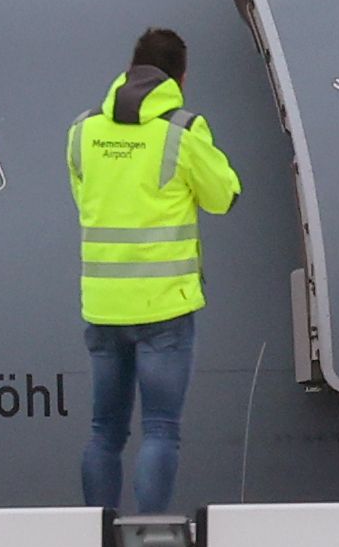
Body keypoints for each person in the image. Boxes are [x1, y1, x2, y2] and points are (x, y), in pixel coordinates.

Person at [70, 27, 241, 514]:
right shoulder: (182, 131)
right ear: (180, 78)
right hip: (165, 306)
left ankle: (95, 542)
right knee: (161, 428)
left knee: (104, 432)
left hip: (103, 306)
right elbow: (223, 196)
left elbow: (87, 199)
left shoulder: (83, 130)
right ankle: (149, 540)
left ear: (131, 68)